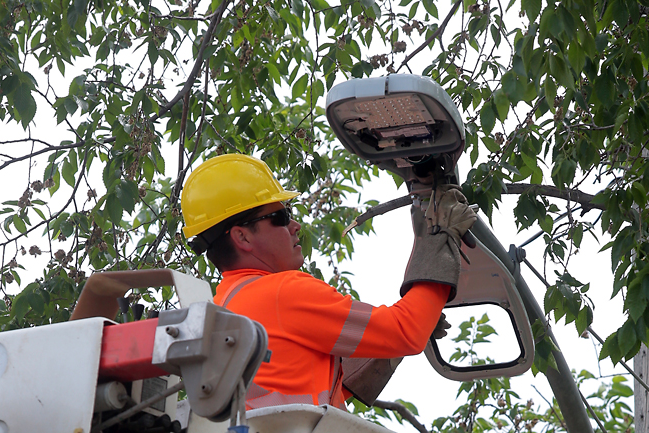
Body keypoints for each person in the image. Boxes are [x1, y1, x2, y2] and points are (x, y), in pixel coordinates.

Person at [180, 153, 476, 408]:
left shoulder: (226, 306)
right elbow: (406, 331)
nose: (295, 226)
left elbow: (316, 389)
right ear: (242, 236)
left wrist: (407, 329)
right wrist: (440, 240)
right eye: (281, 217)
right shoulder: (284, 292)